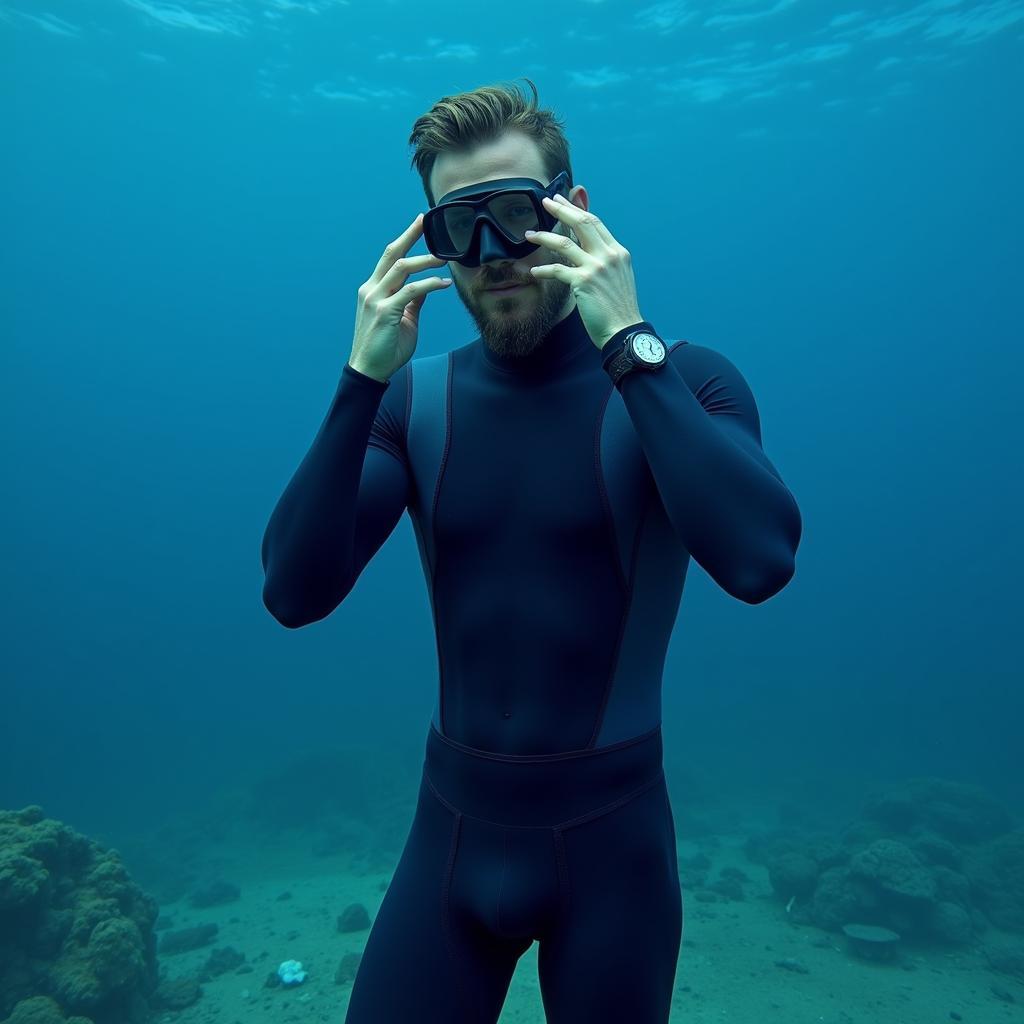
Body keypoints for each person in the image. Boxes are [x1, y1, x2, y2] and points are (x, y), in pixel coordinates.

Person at [260, 78, 802, 1024]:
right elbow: (294, 592)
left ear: (574, 212)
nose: (489, 256)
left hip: (616, 855)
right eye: (455, 228)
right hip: (449, 841)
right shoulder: (409, 403)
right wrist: (358, 380)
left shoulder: (686, 381)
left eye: (515, 215)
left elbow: (759, 561)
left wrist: (628, 341)